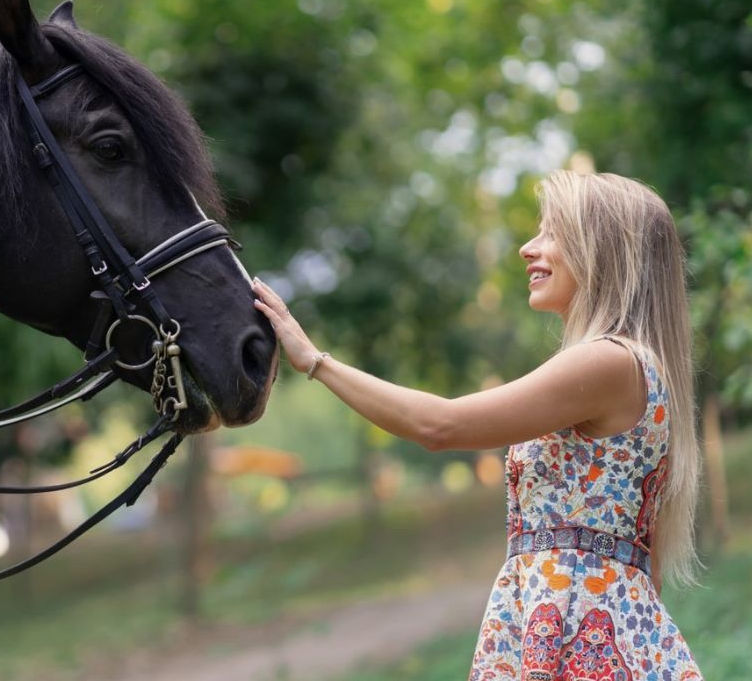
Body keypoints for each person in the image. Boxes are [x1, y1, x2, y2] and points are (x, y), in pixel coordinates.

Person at [252, 170, 703, 679]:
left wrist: (316, 361)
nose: (528, 248)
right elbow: (651, 564)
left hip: (581, 631)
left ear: (602, 250)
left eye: (553, 232)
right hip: (575, 625)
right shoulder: (629, 367)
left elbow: (440, 426)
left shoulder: (607, 362)